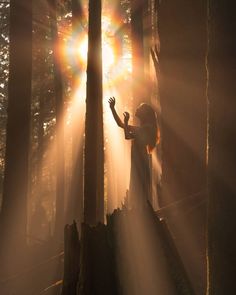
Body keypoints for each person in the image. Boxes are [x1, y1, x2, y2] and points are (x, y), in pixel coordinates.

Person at [108, 97, 158, 208]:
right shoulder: (143, 128)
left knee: (140, 188)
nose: (137, 109)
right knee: (138, 187)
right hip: (138, 160)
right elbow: (121, 125)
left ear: (144, 114)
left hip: (140, 161)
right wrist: (112, 109)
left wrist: (126, 122)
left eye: (140, 108)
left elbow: (127, 135)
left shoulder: (146, 129)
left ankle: (143, 212)